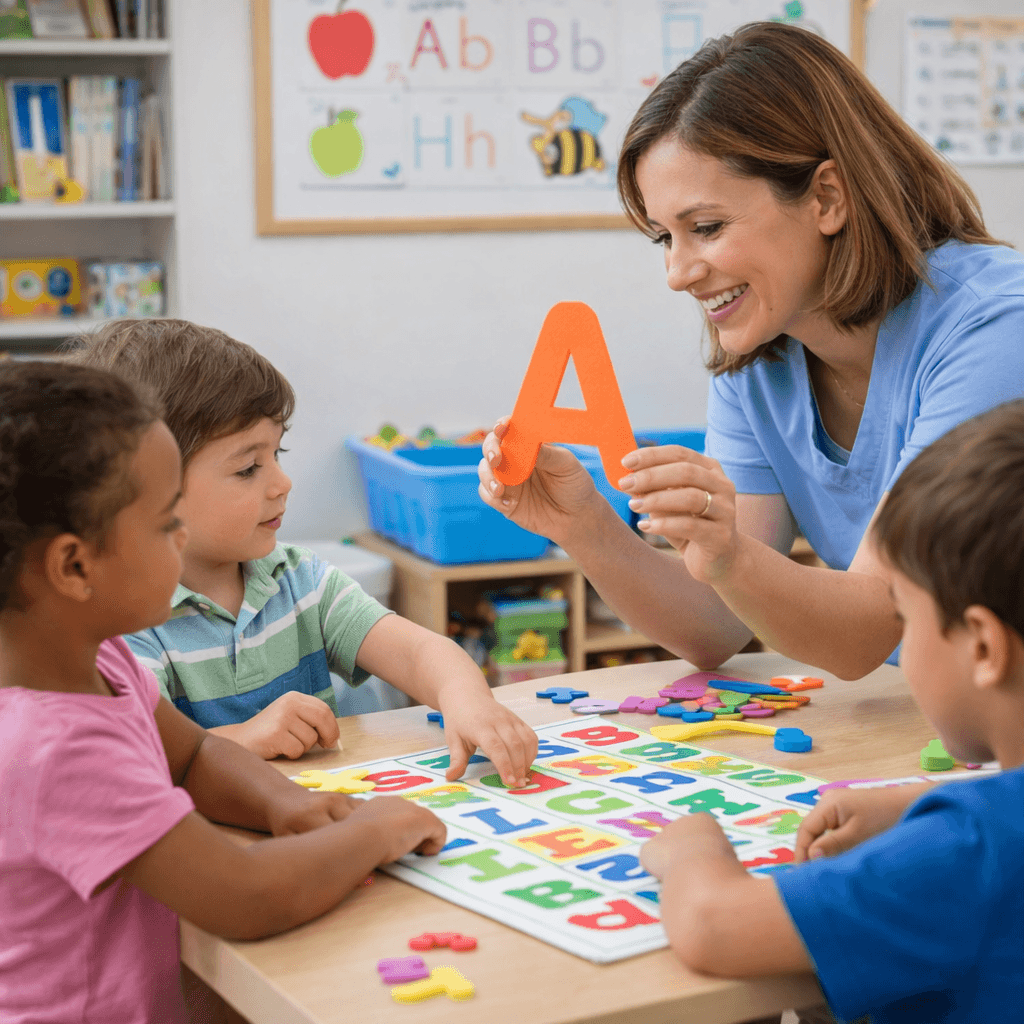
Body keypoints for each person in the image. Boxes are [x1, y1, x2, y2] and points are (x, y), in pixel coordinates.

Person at [478, 21, 1024, 681]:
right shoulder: (762, 353)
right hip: (937, 714)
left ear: (827, 198)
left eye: (705, 228)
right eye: (664, 239)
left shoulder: (993, 328)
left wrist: (730, 553)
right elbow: (717, 625)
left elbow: (875, 624)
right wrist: (587, 526)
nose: (678, 273)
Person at [0, 362, 447, 1023]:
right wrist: (378, 830)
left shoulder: (102, 656)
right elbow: (247, 896)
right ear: (74, 566)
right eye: (162, 525)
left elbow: (191, 759)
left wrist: (285, 805)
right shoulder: (51, 747)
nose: (183, 539)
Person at [638, 400, 1024, 1024]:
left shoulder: (967, 851)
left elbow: (714, 927)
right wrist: (913, 805)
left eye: (903, 611)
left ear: (982, 647)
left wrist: (691, 851)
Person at [70, 319, 537, 783]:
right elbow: (133, 761)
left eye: (278, 454)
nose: (282, 483)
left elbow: (418, 653)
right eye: (249, 467)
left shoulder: (297, 579)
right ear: (147, 488)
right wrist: (245, 739)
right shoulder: (125, 623)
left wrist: (468, 701)